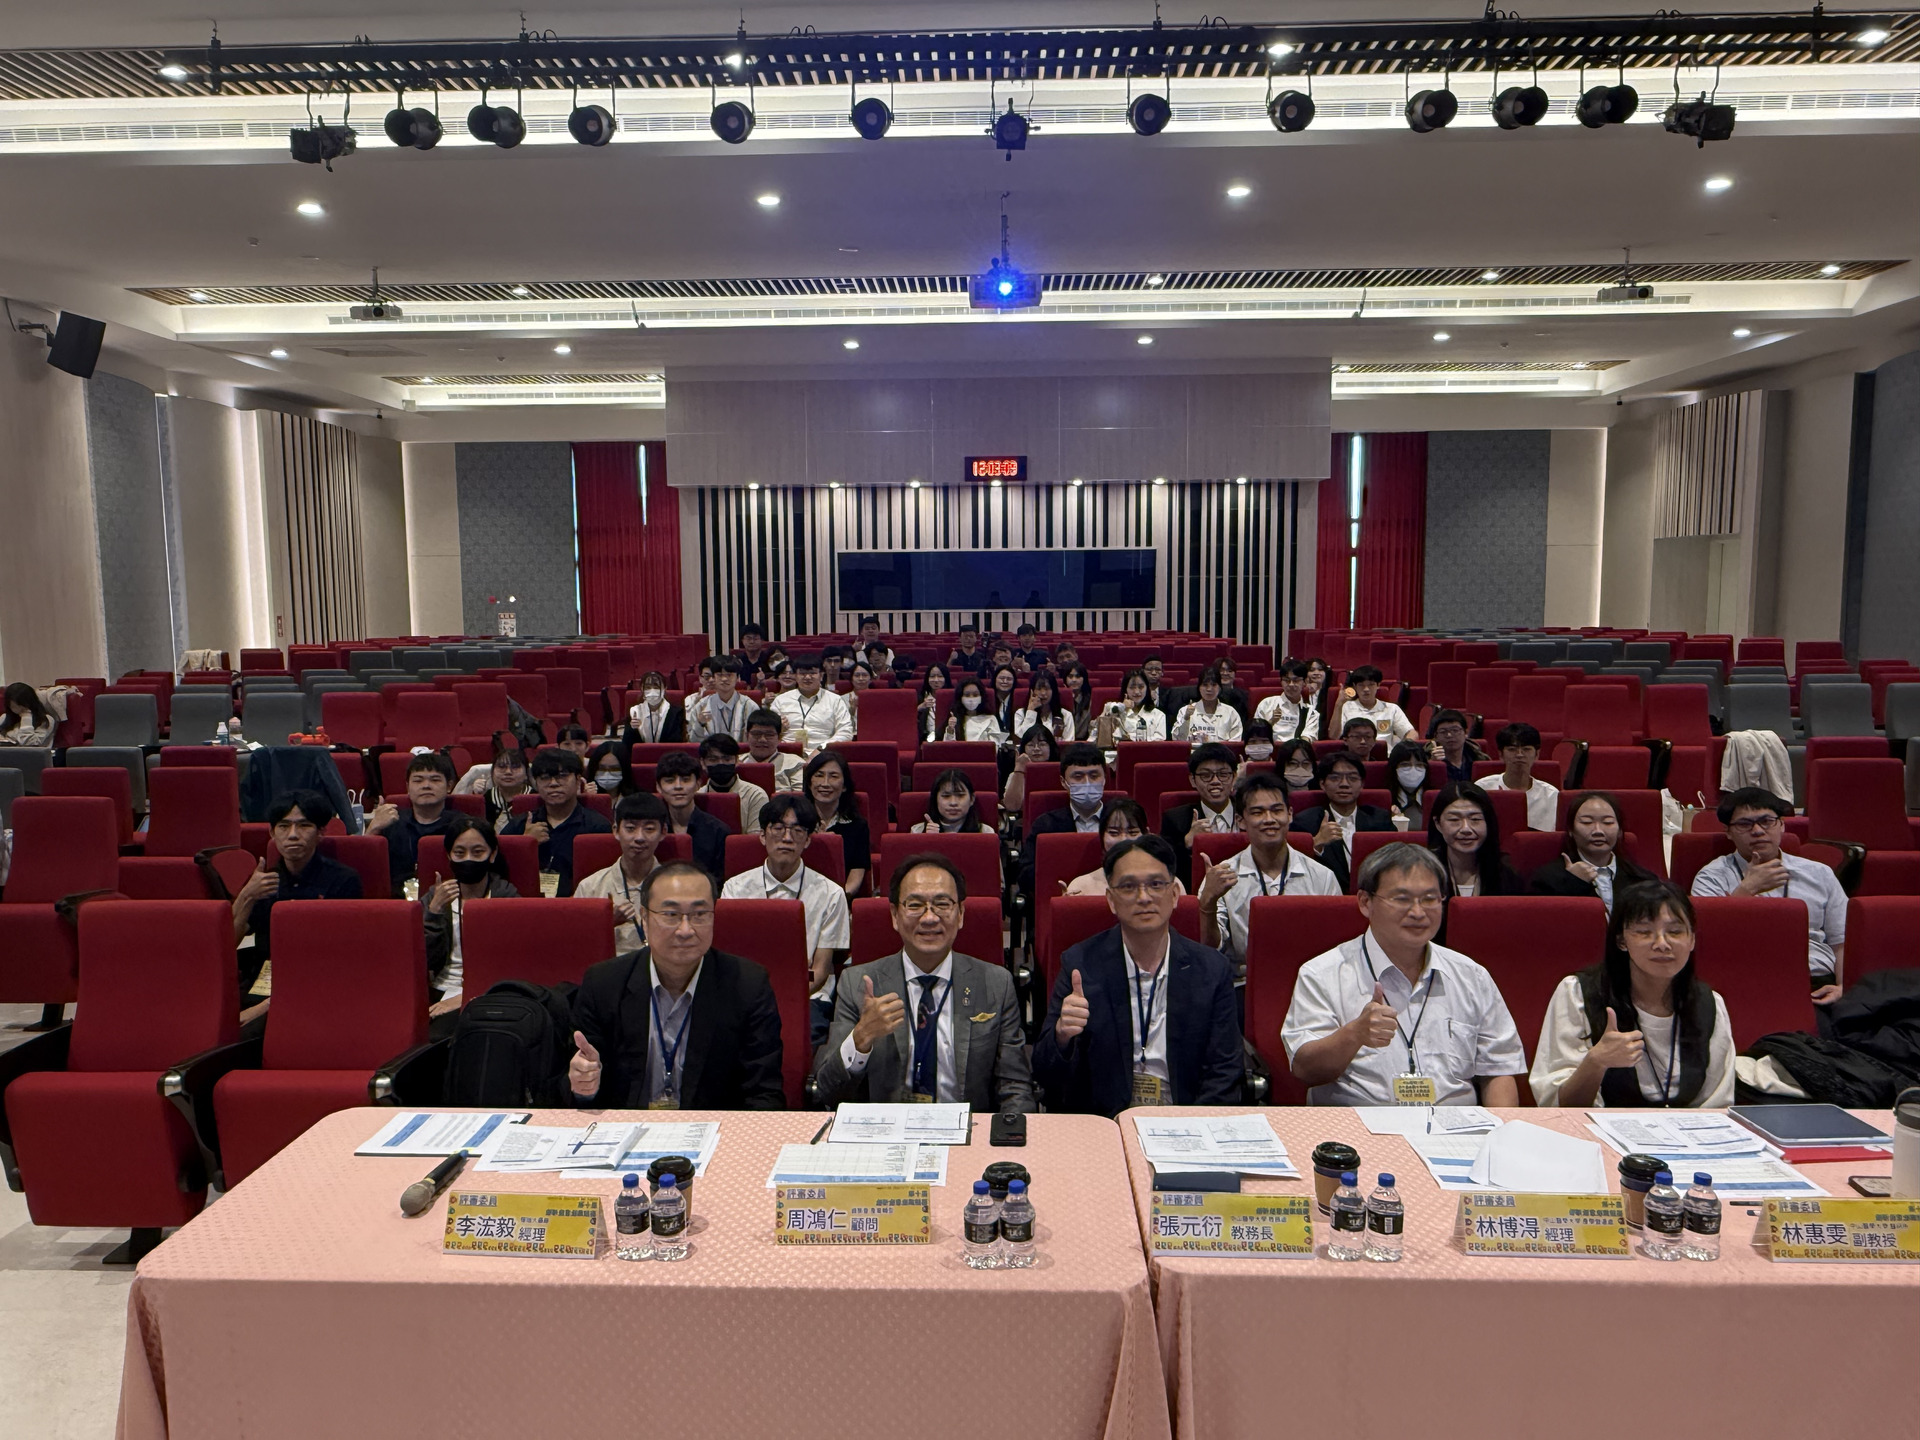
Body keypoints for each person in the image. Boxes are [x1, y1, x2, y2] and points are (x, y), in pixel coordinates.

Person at [1282, 843, 1526, 1107]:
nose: (1418, 912)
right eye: (1402, 899)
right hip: (1360, 1125)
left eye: (1430, 899)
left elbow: (1499, 1071)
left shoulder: (1471, 975)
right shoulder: (1322, 974)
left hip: (1456, 1126)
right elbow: (1305, 1070)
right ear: (1365, 902)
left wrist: (1500, 1130)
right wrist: (1354, 1034)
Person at [1032, 836, 1243, 1116]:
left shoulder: (1211, 970)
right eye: (1129, 887)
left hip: (1186, 1119)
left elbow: (1226, 1073)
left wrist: (1191, 1126)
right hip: (1106, 1124)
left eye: (1156, 884)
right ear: (1111, 900)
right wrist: (1062, 1036)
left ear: (1175, 894)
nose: (1144, 897)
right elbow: (1045, 1074)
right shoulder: (1080, 965)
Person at [816, 853, 1036, 1111]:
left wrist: (1009, 1133)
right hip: (888, 1129)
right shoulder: (858, 984)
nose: (929, 918)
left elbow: (1015, 1088)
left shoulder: (995, 984)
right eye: (915, 905)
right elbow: (827, 1091)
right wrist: (861, 1037)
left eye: (942, 904)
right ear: (895, 915)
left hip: (967, 1128)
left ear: (961, 914)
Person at [567, 861, 785, 1109]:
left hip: (714, 1126)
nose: (685, 930)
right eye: (671, 915)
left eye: (699, 914)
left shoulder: (748, 985)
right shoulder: (604, 984)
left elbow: (765, 1093)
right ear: (645, 918)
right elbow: (578, 1088)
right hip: (627, 1125)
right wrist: (585, 1087)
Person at [1531, 882, 1735, 1108]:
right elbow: (1560, 1107)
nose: (1662, 944)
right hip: (1598, 1127)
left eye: (1675, 932)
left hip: (1691, 1129)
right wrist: (1596, 1062)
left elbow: (1717, 1105)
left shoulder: (1709, 1004)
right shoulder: (1579, 994)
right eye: (1644, 932)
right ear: (1621, 941)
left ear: (1692, 940)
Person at [1691, 786, 1847, 1004]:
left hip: (1815, 982)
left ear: (1781, 825)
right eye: (1744, 824)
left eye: (1766, 821)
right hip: (1745, 983)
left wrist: (1843, 987)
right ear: (1728, 831)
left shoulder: (1819, 873)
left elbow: (1841, 942)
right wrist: (1747, 889)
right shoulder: (1712, 877)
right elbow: (1707, 940)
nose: (1757, 831)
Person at [721, 794, 850, 1034]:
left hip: (808, 997)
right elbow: (731, 961)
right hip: (748, 995)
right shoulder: (735, 889)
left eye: (797, 830)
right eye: (778, 828)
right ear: (762, 835)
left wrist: (786, 1000)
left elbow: (821, 970)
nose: (787, 838)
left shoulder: (831, 894)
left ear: (808, 840)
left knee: (809, 1031)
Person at [1197, 772, 1341, 971]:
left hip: (1308, 978)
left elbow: (1336, 943)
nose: (1269, 819)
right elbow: (1209, 947)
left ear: (1290, 814)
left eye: (1277, 810)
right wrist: (1208, 902)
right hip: (1244, 979)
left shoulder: (1322, 876)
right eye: (1258, 812)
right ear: (1240, 820)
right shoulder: (1221, 877)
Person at [230, 790, 363, 995]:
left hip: (322, 981)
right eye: (284, 826)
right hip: (267, 979)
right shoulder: (263, 881)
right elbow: (226, 944)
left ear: (320, 832)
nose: (292, 834)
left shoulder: (343, 880)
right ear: (272, 833)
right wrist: (247, 896)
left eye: (304, 825)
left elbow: (347, 951)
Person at [422, 815, 519, 1032]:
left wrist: (466, 995)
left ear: (492, 854)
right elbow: (423, 960)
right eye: (459, 853)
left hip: (491, 990)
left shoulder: (507, 897)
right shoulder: (434, 897)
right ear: (449, 855)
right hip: (440, 988)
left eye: (477, 852)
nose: (468, 859)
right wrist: (434, 913)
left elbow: (512, 961)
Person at [501, 748, 612, 896]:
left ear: (578, 780)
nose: (553, 783)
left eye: (562, 776)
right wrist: (525, 843)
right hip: (527, 904)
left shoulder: (597, 826)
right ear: (536, 784)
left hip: (579, 903)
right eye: (545, 777)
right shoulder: (521, 824)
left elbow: (605, 880)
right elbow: (498, 871)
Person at [574, 793, 670, 952]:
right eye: (630, 828)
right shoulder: (590, 887)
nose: (639, 837)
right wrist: (606, 923)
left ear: (663, 832)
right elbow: (574, 944)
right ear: (616, 830)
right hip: (610, 966)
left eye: (649, 829)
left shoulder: (679, 887)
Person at [1529, 791, 1656, 911]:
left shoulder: (1643, 880)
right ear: (1571, 830)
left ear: (1620, 831)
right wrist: (1574, 883)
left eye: (1608, 822)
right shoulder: (1547, 880)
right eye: (1587, 822)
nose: (1598, 831)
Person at [1290, 752, 1395, 892]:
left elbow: (1396, 858)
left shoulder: (1380, 819)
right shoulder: (1305, 821)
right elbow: (1290, 865)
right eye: (1335, 778)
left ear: (1362, 784)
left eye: (1352, 778)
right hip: (1325, 896)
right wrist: (1316, 843)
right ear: (1322, 784)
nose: (1344, 784)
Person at [1018, 742, 1109, 896]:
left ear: (1104, 779)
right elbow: (1025, 875)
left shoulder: (1122, 821)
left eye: (1094, 776)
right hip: (1060, 898)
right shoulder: (1045, 825)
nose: (1087, 783)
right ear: (1063, 782)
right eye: (1078, 777)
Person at [365, 750, 457, 896]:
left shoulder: (462, 826)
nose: (426, 786)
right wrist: (373, 828)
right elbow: (365, 868)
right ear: (408, 787)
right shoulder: (390, 821)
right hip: (394, 900)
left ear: (449, 786)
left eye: (435, 780)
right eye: (418, 780)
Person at [1064, 799, 1188, 896]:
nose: (1124, 840)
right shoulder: (1081, 887)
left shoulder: (1170, 884)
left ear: (1146, 835)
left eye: (1132, 832)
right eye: (1114, 833)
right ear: (1101, 836)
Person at [1159, 742, 1240, 881]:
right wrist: (1186, 843)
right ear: (1193, 780)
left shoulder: (1248, 813)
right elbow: (1164, 868)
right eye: (1206, 775)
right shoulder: (1176, 820)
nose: (1215, 781)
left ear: (1234, 777)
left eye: (1223, 774)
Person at [1427, 782, 1521, 899]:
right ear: (1438, 824)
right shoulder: (1423, 873)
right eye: (1454, 819)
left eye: (1475, 819)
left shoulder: (1507, 877)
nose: (1466, 829)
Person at [653, 750, 728, 881]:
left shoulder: (719, 831)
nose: (678, 786)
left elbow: (720, 881)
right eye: (670, 781)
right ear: (658, 787)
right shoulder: (651, 830)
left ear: (698, 784)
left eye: (686, 780)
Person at [805, 749, 871, 898]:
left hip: (841, 898)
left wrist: (836, 899)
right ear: (809, 783)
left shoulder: (858, 825)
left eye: (833, 776)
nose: (825, 783)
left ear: (844, 786)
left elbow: (856, 875)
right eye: (819, 775)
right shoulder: (796, 822)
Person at [1474, 722, 1560, 831]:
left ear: (1537, 754)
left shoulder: (1551, 795)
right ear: (1501, 754)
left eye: (1526, 749)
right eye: (1512, 749)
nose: (1519, 754)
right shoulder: (1482, 788)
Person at [771, 655, 854, 757]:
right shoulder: (780, 701)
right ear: (795, 676)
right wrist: (779, 730)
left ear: (821, 675)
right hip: (787, 754)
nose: (807, 677)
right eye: (802, 673)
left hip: (824, 754)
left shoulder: (835, 700)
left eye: (812, 673)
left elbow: (845, 732)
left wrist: (822, 749)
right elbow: (768, 731)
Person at [699, 732, 767, 834]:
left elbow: (755, 838)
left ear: (737, 761)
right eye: (713, 759)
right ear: (703, 763)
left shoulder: (755, 795)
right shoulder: (697, 797)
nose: (721, 763)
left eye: (727, 759)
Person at [454, 742, 532, 826]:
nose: (508, 772)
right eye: (501, 766)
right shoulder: (486, 798)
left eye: (515, 767)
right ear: (492, 772)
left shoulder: (534, 798)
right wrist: (476, 797)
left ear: (526, 774)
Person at [1337, 665, 1415, 744]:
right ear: (1355, 686)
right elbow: (1334, 736)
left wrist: (1404, 748)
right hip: (1356, 750)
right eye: (1361, 685)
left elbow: (1411, 733)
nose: (1366, 689)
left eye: (1371, 685)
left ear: (1378, 685)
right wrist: (1338, 705)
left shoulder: (1392, 708)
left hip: (1386, 751)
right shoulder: (1346, 707)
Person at [1000, 725, 1060, 822]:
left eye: (1042, 744)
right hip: (1026, 820)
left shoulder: (1061, 772)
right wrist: (1019, 769)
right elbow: (1011, 806)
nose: (1036, 749)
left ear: (1051, 747)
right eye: (1031, 745)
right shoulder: (1016, 775)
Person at [687, 656, 751, 742]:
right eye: (720, 675)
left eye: (729, 675)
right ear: (713, 678)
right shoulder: (701, 706)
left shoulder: (750, 706)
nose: (724, 679)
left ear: (738, 678)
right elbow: (692, 742)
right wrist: (700, 724)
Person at [1173, 666, 1244, 744]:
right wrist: (1186, 718)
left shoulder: (1231, 713)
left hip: (1221, 751)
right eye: (1205, 685)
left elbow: (1235, 743)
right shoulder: (1184, 711)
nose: (1209, 689)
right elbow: (1177, 740)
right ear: (1199, 687)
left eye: (1213, 685)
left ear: (1220, 688)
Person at [1254, 660, 1321, 741]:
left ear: (1305, 682)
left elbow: (1307, 739)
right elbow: (1254, 735)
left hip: (1296, 748)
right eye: (1286, 680)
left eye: (1296, 680)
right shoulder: (1267, 704)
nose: (1291, 684)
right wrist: (1271, 722)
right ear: (1281, 682)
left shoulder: (1311, 712)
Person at [744, 708, 806, 792]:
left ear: (779, 737)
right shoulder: (736, 763)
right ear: (747, 736)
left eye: (769, 735)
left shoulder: (795, 763)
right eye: (756, 734)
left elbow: (801, 796)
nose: (762, 740)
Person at [1101, 668, 1167, 745]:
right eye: (1132, 687)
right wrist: (1123, 709)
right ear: (1125, 689)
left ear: (1147, 688)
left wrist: (1130, 738)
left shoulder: (1158, 715)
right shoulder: (1114, 710)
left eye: (1141, 687)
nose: (1137, 692)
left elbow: (1159, 741)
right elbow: (1105, 736)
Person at [912, 769, 987, 833]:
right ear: (935, 799)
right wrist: (927, 840)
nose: (953, 803)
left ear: (972, 799)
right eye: (946, 796)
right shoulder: (918, 831)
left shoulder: (985, 832)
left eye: (960, 795)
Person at [1425, 709, 1487, 786]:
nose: (1449, 735)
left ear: (1466, 733)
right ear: (1436, 736)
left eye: (1455, 730)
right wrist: (1433, 765)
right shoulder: (1425, 761)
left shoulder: (1479, 758)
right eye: (1443, 732)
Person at [624, 671, 685, 744]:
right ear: (642, 689)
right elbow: (627, 745)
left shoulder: (676, 713)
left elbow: (677, 742)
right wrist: (632, 729)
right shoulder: (634, 711)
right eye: (648, 687)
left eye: (656, 687)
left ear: (664, 688)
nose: (652, 691)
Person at [1385, 740, 1437, 824]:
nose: (1413, 770)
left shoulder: (1436, 800)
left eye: (1419, 765)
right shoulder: (1383, 802)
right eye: (1405, 765)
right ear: (1394, 768)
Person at [1019, 670, 1074, 744]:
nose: (1043, 693)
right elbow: (1021, 740)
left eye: (1047, 689)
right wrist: (1031, 712)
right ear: (1032, 691)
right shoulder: (1021, 713)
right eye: (1039, 689)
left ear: (1053, 691)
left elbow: (1068, 744)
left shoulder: (1066, 715)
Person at [945, 677, 1006, 743]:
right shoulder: (954, 719)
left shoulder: (991, 719)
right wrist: (950, 730)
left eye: (975, 695)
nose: (971, 699)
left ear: (981, 697)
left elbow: (994, 745)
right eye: (967, 695)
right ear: (960, 698)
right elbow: (948, 746)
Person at [914, 663, 951, 744]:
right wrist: (920, 707)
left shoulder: (952, 697)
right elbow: (907, 719)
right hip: (925, 740)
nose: (936, 680)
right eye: (932, 676)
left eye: (940, 676)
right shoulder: (919, 697)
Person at [1059, 661, 1094, 740]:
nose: (1074, 680)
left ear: (1084, 679)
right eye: (1070, 676)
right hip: (1064, 740)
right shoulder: (1059, 698)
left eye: (1078, 676)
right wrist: (1068, 697)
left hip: (1085, 741)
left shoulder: (1091, 699)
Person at [986, 664, 1021, 736]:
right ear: (995, 679)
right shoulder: (987, 698)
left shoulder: (1018, 700)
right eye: (1002, 678)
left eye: (1009, 679)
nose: (1005, 681)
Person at [735, 621, 771, 686]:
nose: (752, 642)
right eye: (748, 638)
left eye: (755, 638)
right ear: (742, 640)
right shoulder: (736, 661)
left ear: (762, 640)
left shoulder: (770, 659)